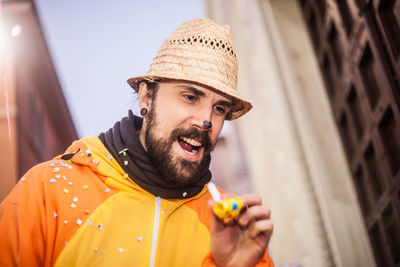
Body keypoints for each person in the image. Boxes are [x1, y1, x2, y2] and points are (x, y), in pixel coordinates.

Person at [0, 18, 274, 266]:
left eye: (219, 109)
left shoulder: (232, 225)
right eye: (190, 97)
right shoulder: (48, 191)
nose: (206, 121)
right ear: (146, 98)